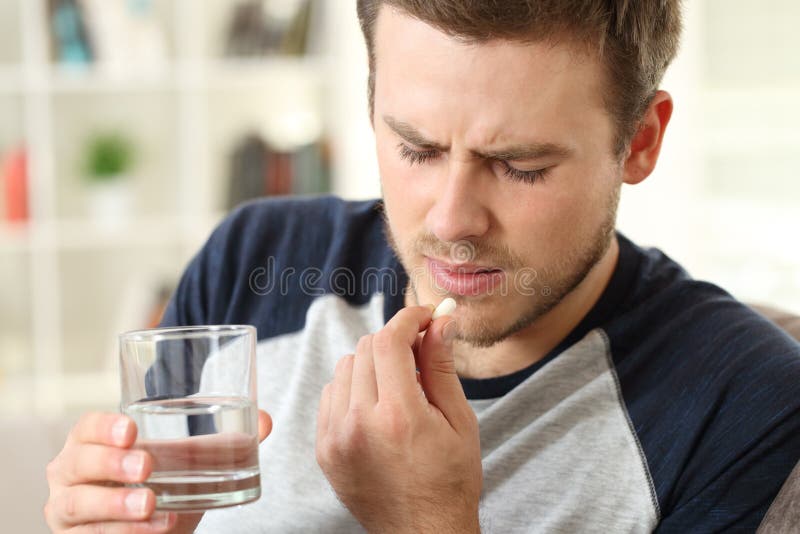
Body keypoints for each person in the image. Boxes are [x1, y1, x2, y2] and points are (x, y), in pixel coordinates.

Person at [45, 1, 800, 532]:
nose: (450, 222)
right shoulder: (257, 262)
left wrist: (426, 522)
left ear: (639, 141)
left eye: (520, 164)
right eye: (416, 148)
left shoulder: (743, 405)